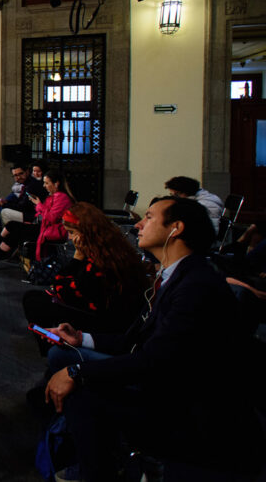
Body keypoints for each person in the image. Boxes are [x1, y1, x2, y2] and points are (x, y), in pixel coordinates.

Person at [42, 197, 263, 480]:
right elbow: (135, 339)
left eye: (148, 217)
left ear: (176, 228)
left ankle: (98, 470)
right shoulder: (176, 274)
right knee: (64, 358)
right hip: (164, 381)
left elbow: (155, 360)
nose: (138, 224)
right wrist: (80, 338)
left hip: (187, 408)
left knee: (80, 392)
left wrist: (77, 372)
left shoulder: (195, 285)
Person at [22, 202, 149, 336]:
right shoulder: (113, 249)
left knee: (34, 302)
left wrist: (77, 257)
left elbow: (62, 290)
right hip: (112, 315)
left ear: (85, 232)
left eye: (71, 232)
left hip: (103, 323)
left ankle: (55, 343)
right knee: (35, 297)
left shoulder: (98, 261)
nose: (69, 238)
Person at [0, 170, 74, 271]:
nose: (44, 186)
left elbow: (51, 218)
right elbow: (44, 214)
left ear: (56, 184)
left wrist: (39, 205)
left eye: (47, 183)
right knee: (12, 225)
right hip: (45, 227)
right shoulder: (54, 196)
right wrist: (38, 206)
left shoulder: (62, 198)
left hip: (52, 232)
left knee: (17, 232)